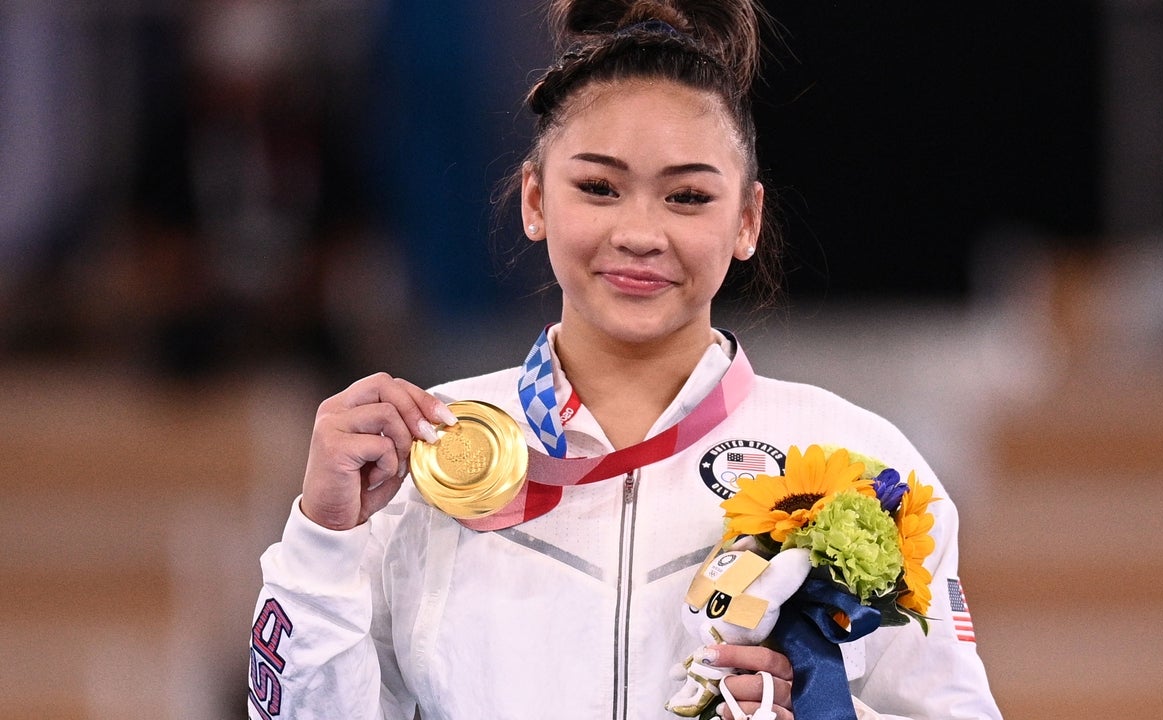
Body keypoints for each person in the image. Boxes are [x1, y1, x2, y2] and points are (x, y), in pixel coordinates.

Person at [248, 1, 1004, 718]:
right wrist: (324, 536)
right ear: (535, 201)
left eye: (686, 198)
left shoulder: (861, 465)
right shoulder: (424, 457)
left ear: (747, 219)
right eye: (600, 187)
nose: (640, 233)